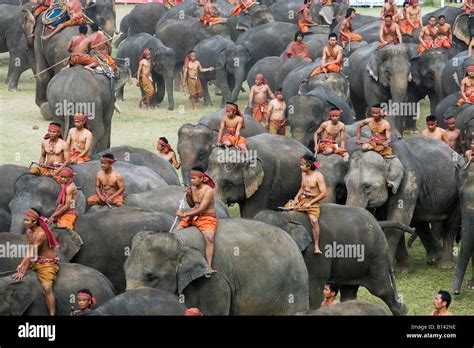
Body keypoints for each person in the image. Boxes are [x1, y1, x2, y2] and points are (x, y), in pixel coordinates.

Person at [12, 209, 60, 316]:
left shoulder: (40, 233)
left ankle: (52, 314)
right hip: (35, 260)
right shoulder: (29, 231)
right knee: (18, 271)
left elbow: (32, 252)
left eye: (27, 220)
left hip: (47, 264)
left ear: (34, 222)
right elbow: (30, 251)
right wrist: (23, 266)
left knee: (47, 288)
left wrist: (23, 267)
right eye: (24, 220)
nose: (24, 222)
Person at [173, 167, 218, 277]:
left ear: (202, 178)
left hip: (206, 217)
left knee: (209, 238)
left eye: (194, 178)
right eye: (191, 178)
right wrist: (188, 194)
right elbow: (192, 205)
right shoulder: (193, 188)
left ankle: (208, 266)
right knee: (174, 233)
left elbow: (202, 208)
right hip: (193, 215)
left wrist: (184, 214)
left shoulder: (208, 191)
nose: (191, 181)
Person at [283, 154, 327, 254]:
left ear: (309, 165)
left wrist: (310, 203)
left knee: (314, 220)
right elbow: (302, 188)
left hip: (313, 201)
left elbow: (324, 193)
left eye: (302, 165)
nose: (300, 166)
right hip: (303, 199)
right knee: (286, 209)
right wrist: (296, 197)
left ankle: (316, 246)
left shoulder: (318, 176)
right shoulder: (303, 174)